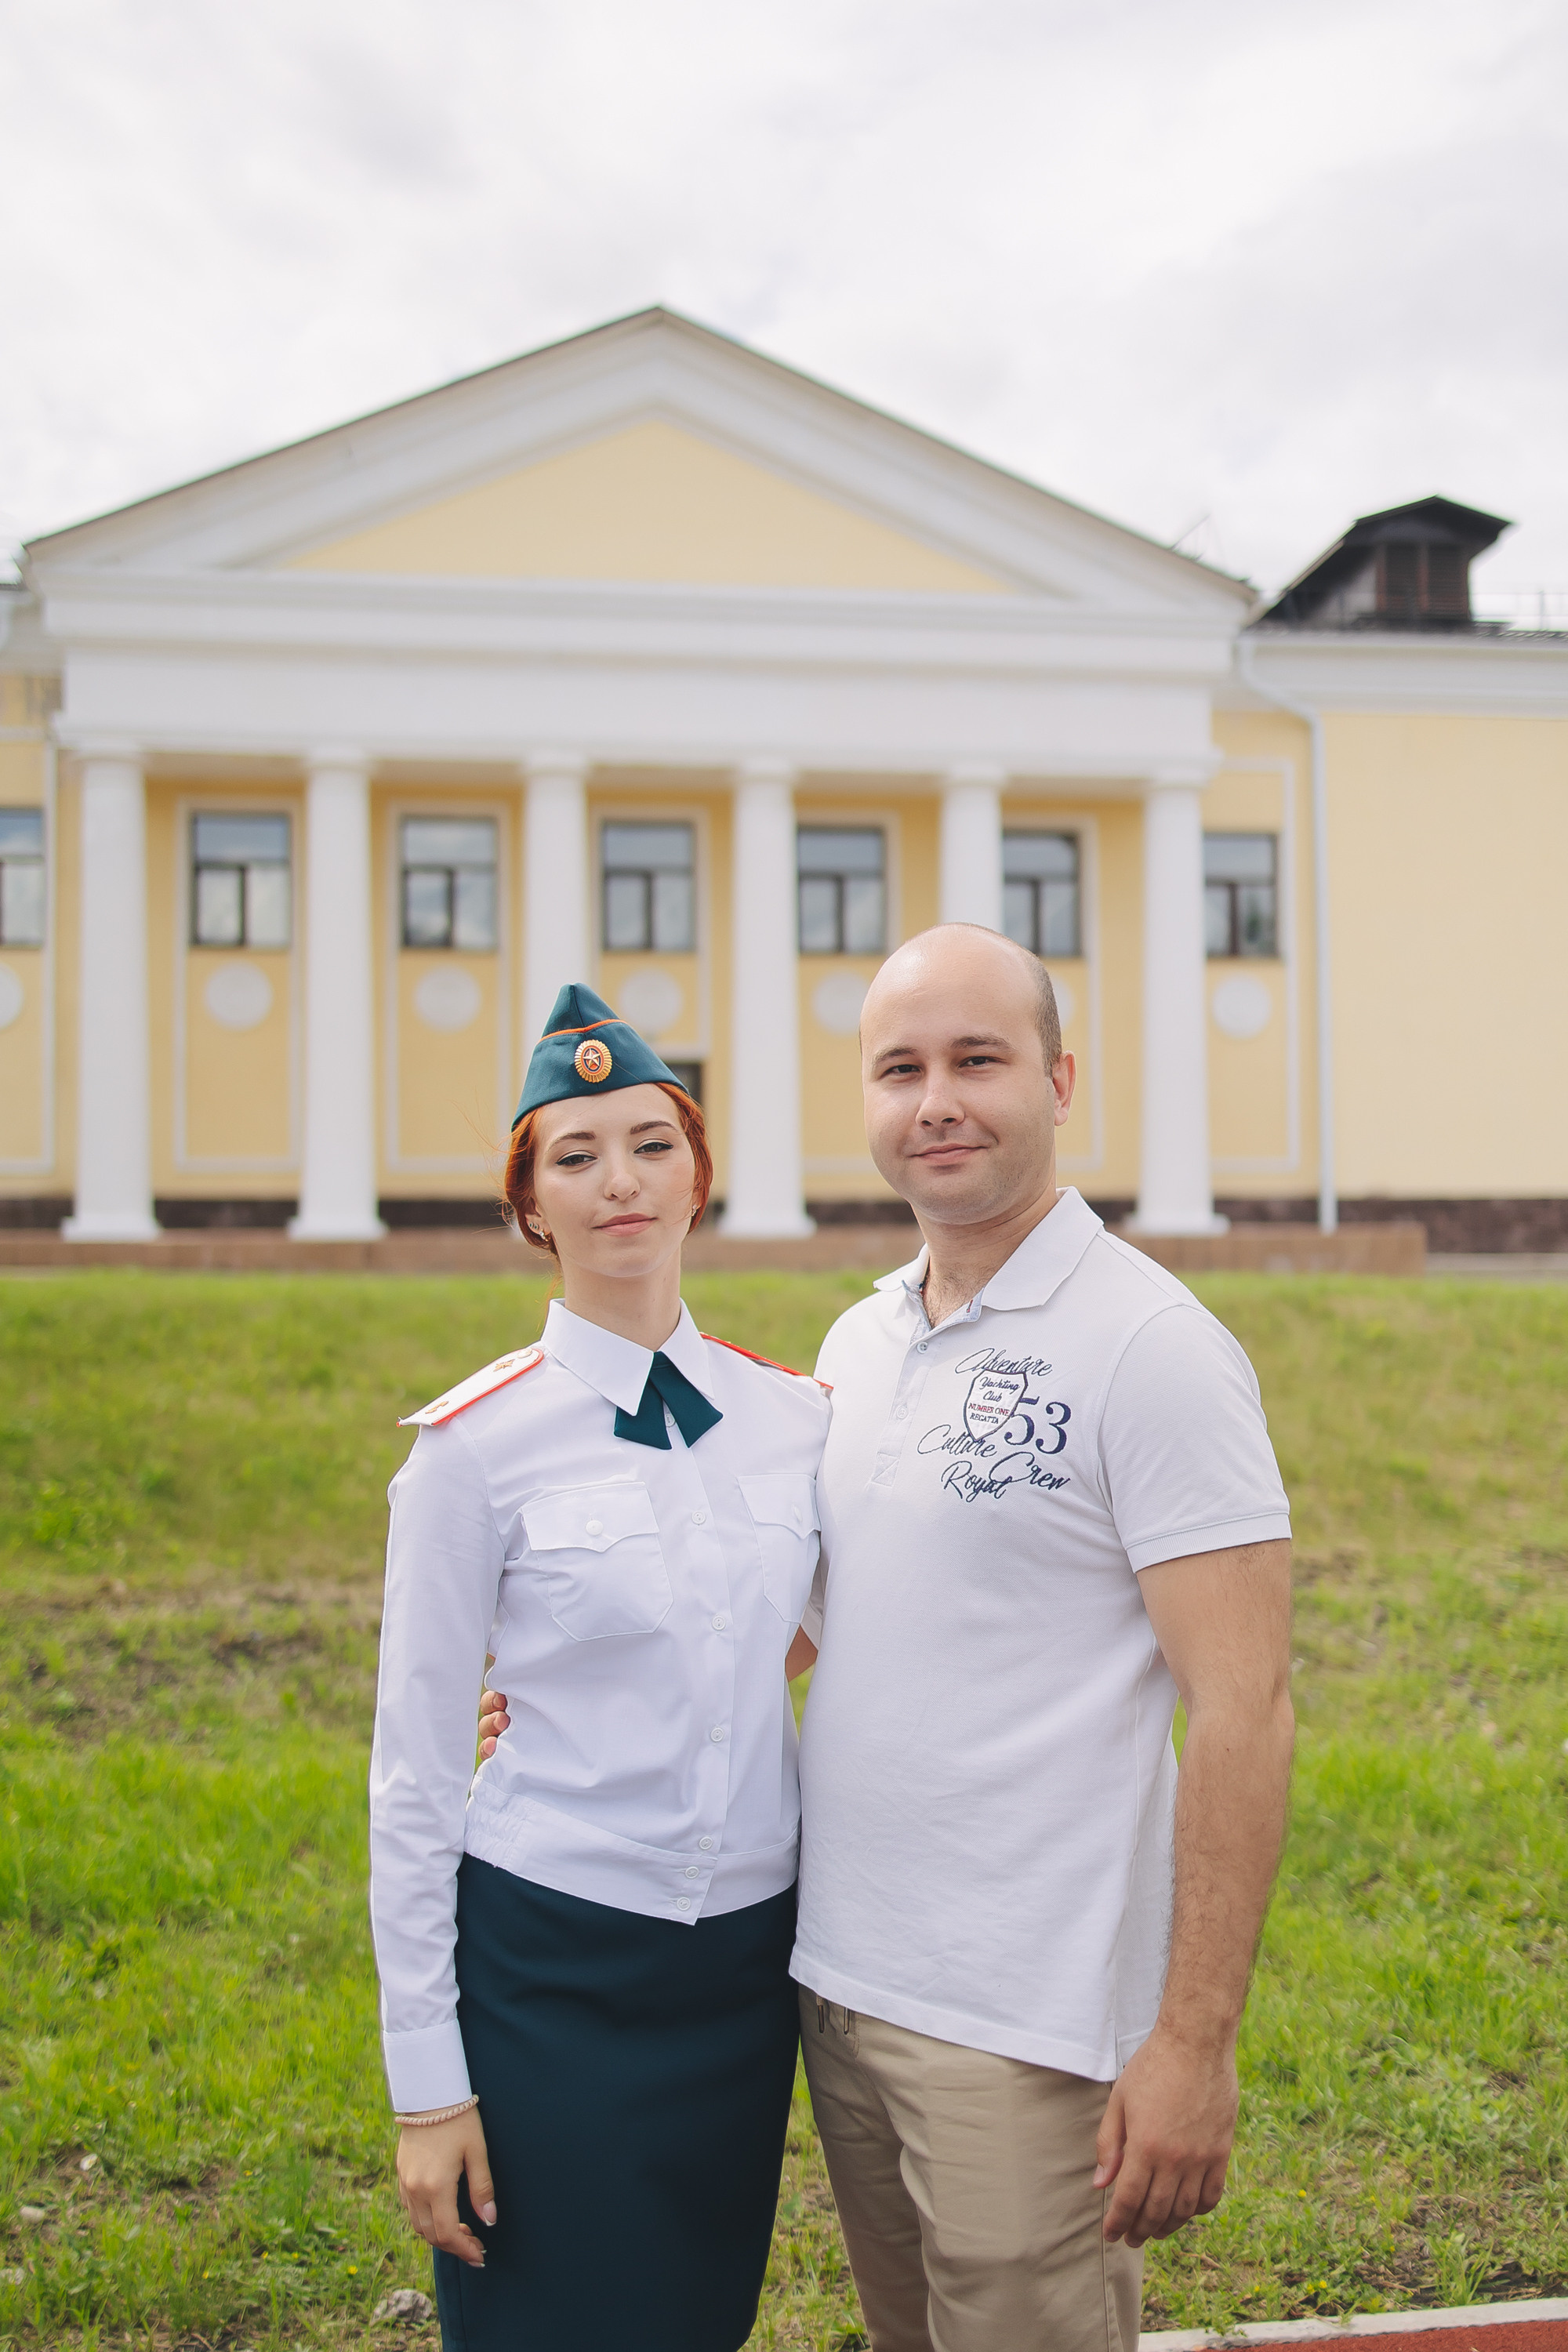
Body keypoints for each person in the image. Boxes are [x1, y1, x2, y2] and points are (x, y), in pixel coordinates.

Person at [482, 926, 1295, 2352]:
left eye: (979, 1060)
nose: (938, 1102)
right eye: (900, 1069)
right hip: (837, 1989)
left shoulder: (1151, 1346)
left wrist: (1193, 2044)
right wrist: (572, 1702)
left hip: (1026, 2029)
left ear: (1059, 1082)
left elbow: (1247, 1706)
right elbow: (798, 1626)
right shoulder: (858, 1346)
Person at [369, 982, 829, 2352]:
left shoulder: (794, 1416)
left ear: (698, 1174)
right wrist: (427, 2089)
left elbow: (815, 1624)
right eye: (575, 1156)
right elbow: (411, 1777)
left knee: (696, 2319)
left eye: (651, 1144)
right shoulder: (470, 1451)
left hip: (743, 1967)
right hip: (550, 1957)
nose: (619, 1181)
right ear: (531, 1206)